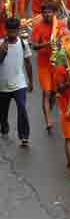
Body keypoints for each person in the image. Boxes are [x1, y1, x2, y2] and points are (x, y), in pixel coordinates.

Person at [0, 17, 33, 146]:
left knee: (22, 108)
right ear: (6, 30)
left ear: (19, 30)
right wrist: (3, 51)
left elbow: (28, 63)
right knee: (3, 112)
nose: (12, 34)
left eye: (15, 31)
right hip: (2, 85)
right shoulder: (1, 43)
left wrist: (31, 81)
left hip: (19, 84)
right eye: (10, 31)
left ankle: (24, 135)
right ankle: (4, 126)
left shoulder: (23, 44)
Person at [30, 2, 57, 134]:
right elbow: (34, 45)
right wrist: (48, 43)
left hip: (57, 65)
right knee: (46, 92)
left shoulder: (59, 26)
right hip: (44, 65)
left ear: (54, 13)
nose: (47, 14)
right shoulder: (38, 27)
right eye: (45, 12)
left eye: (49, 12)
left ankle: (48, 111)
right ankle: (48, 121)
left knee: (53, 94)